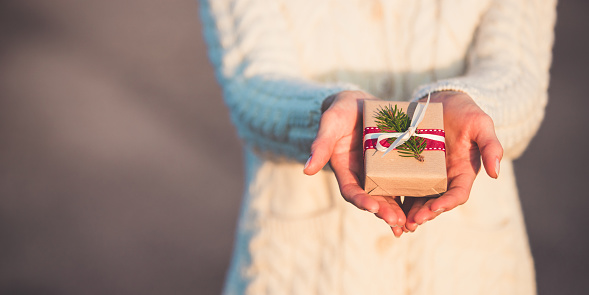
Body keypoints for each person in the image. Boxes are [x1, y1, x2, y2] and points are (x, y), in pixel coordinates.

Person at [200, 0, 556, 294]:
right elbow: (253, 88)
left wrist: (472, 102)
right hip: (305, 273)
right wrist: (323, 112)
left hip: (467, 272)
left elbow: (518, 72)